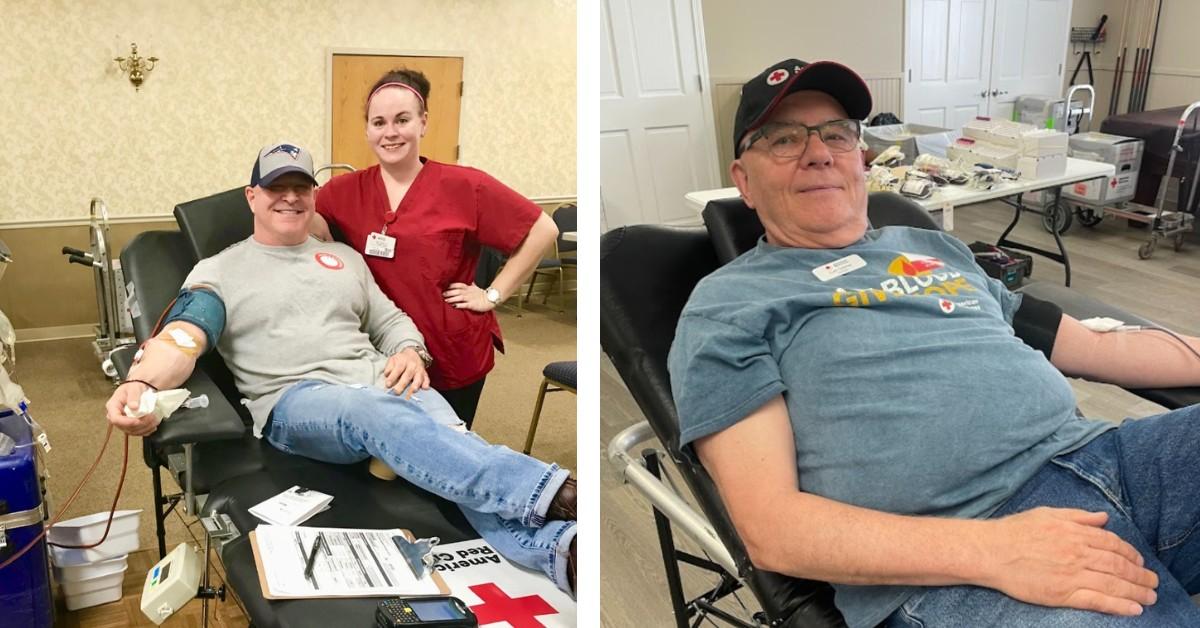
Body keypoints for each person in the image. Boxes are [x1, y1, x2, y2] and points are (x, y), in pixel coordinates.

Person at [667, 58, 1200, 628]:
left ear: (860, 158)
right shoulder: (728, 306)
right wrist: (995, 550)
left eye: (837, 134)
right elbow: (772, 529)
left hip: (1108, 462)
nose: (818, 152)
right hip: (957, 553)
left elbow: (1097, 350)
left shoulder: (932, 247)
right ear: (743, 179)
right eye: (782, 140)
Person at [106, 142, 576, 592]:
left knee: (458, 449)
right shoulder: (219, 270)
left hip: (385, 385)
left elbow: (389, 319)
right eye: (275, 188)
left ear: (314, 196)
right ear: (252, 196)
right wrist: (142, 381)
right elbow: (184, 336)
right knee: (376, 413)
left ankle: (559, 549)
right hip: (299, 402)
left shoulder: (344, 259)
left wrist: (411, 351)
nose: (290, 198)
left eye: (301, 188)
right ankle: (554, 490)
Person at [311, 68, 560, 427]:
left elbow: (543, 229)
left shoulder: (466, 186)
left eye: (402, 119)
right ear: (367, 130)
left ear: (423, 122)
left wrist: (492, 295)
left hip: (450, 349)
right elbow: (304, 219)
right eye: (379, 122)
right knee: (387, 451)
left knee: (448, 446)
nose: (390, 132)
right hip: (380, 348)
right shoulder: (342, 191)